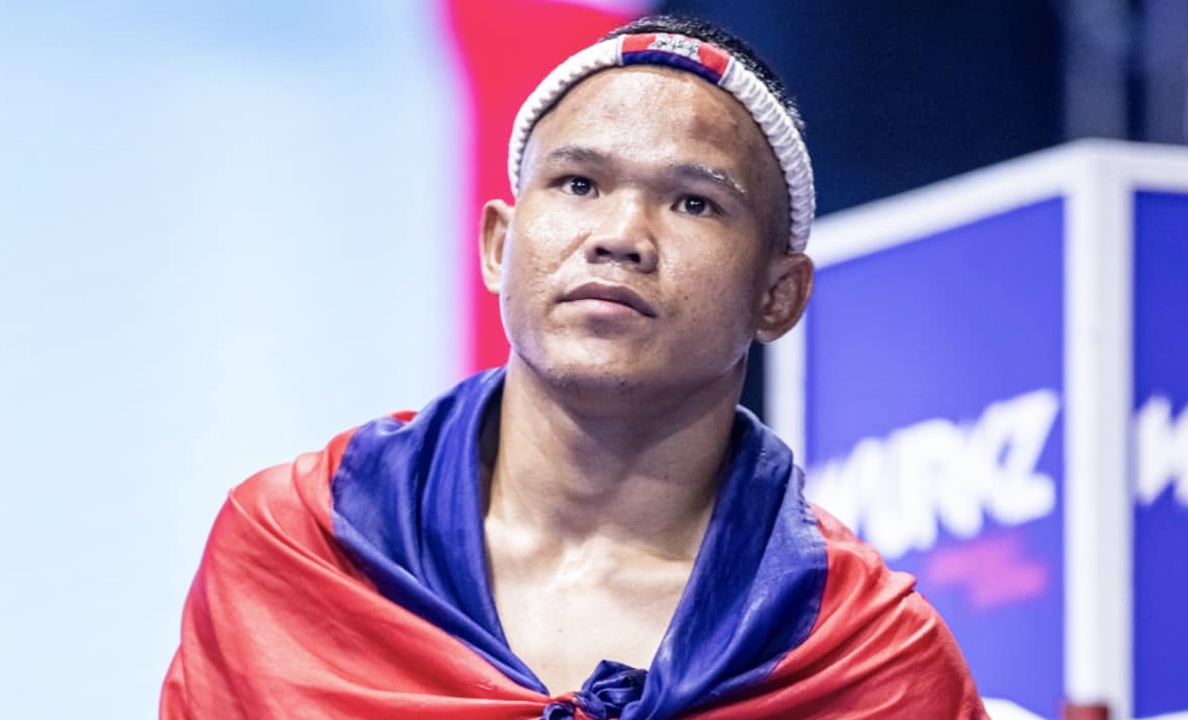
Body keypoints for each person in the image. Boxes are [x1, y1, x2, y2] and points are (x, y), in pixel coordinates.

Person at [161, 14, 988, 720]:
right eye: (580, 183)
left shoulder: (865, 656)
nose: (621, 236)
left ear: (779, 295)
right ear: (498, 245)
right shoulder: (303, 546)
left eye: (694, 202)